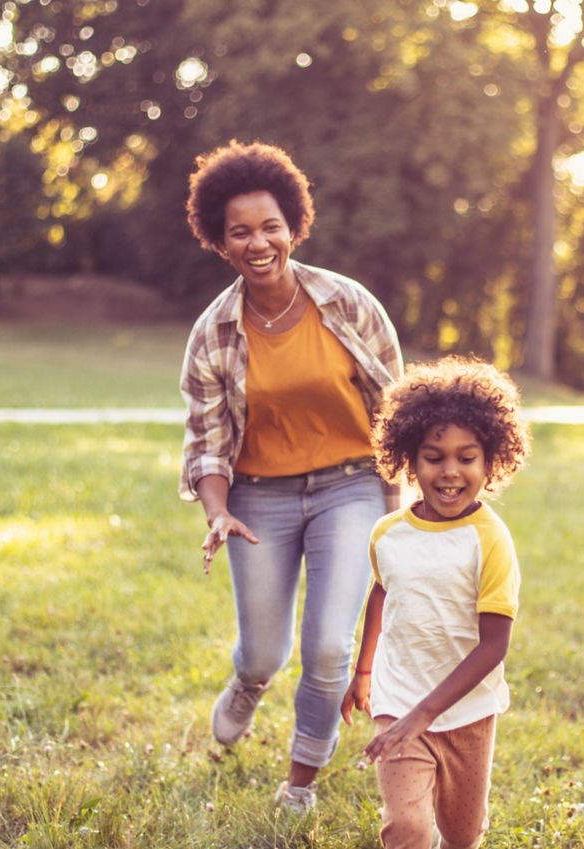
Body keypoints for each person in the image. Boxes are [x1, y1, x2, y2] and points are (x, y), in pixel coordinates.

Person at [178, 140, 404, 814]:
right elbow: (207, 444)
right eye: (240, 231)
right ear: (219, 241)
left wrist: (415, 497)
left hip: (351, 485)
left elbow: (399, 407)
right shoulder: (213, 332)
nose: (258, 242)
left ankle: (298, 783)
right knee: (265, 653)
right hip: (259, 497)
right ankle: (247, 684)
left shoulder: (348, 302)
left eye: (270, 226)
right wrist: (217, 510)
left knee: (329, 645)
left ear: (293, 225)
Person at [341, 357, 531, 849]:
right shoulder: (388, 532)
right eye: (434, 456)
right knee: (407, 828)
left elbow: (494, 646)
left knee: (462, 837)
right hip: (399, 696)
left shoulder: (490, 540)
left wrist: (426, 714)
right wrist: (364, 673)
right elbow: (382, 593)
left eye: (466, 458)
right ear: (409, 460)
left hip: (468, 712)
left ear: (490, 463)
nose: (450, 472)